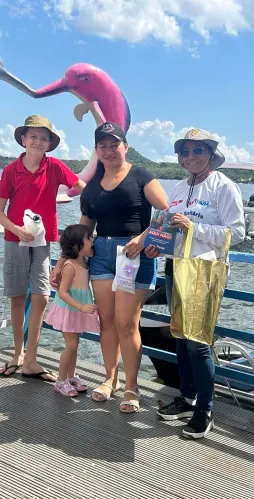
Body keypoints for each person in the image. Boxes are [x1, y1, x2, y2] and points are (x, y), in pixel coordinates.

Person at [52, 122, 169, 413]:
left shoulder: (141, 175)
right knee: (106, 320)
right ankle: (109, 379)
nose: (108, 150)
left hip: (134, 253)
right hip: (101, 253)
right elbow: (85, 226)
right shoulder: (92, 186)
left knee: (126, 322)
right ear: (96, 150)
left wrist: (143, 240)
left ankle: (132, 387)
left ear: (125, 146)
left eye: (114, 144)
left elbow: (167, 210)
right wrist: (65, 260)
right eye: (102, 145)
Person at [146, 128, 245, 439]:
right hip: (176, 266)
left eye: (197, 151)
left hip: (205, 270)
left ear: (211, 155)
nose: (190, 157)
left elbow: (237, 234)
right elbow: (167, 226)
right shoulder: (177, 188)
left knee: (198, 342)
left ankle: (206, 408)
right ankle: (187, 398)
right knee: (179, 336)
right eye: (185, 152)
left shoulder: (224, 187)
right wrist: (155, 243)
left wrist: (195, 227)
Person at [0, 115, 86, 382]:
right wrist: (16, 228)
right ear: (23, 140)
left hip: (43, 242)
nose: (37, 141)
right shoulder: (11, 170)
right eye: (33, 136)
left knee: (42, 297)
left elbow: (82, 188)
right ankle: (18, 354)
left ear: (49, 144)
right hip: (15, 240)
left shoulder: (54, 166)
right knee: (18, 296)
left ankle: (31, 359)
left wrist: (98, 204)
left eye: (43, 138)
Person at [44, 224, 99, 397]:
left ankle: (71, 376)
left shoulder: (84, 260)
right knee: (71, 345)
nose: (92, 241)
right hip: (69, 309)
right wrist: (81, 307)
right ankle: (61, 380)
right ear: (76, 246)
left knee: (74, 345)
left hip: (76, 309)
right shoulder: (70, 266)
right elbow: (62, 292)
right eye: (88, 239)